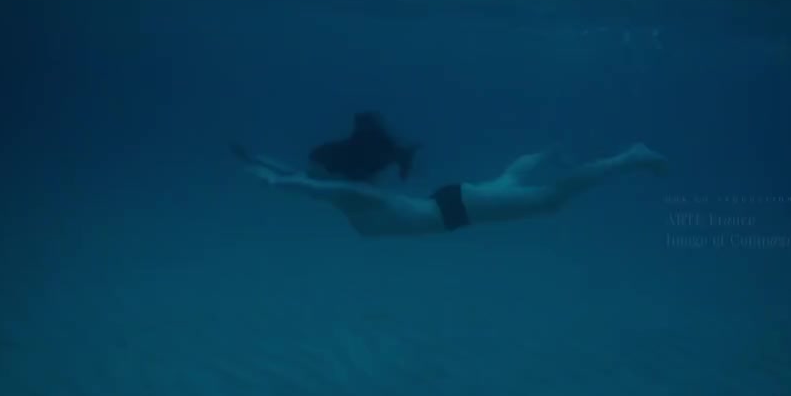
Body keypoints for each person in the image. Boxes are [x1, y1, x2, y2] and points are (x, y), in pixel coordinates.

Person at [231, 142, 669, 237]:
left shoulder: (354, 196)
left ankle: (629, 158)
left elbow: (303, 184)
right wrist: (262, 165)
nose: (314, 176)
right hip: (454, 203)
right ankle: (546, 151)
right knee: (507, 182)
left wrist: (271, 179)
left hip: (456, 209)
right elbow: (304, 181)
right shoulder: (345, 193)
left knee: (549, 201)